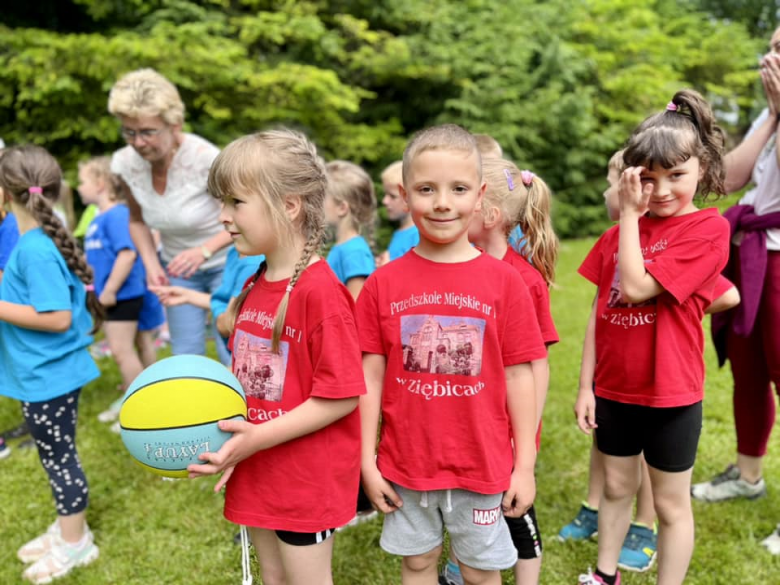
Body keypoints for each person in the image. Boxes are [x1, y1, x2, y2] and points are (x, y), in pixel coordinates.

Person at [357, 124, 546, 585]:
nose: (443, 202)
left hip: (483, 465)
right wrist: (366, 461)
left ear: (480, 196)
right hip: (406, 464)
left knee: (481, 570)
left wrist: (524, 466)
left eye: (458, 189)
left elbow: (522, 376)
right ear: (404, 196)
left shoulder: (506, 283)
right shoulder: (383, 283)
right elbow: (369, 376)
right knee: (418, 563)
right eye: (427, 189)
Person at [186, 129, 365, 585]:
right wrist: (229, 447)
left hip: (305, 481)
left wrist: (254, 441)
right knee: (273, 577)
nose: (223, 218)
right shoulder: (254, 284)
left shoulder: (321, 293)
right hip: (259, 468)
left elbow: (341, 396)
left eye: (235, 203)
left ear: (289, 205)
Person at [574, 90, 731, 585]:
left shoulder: (708, 229)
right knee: (617, 488)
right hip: (616, 390)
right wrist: (586, 387)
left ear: (701, 171)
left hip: (670, 393)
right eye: (648, 178)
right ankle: (605, 574)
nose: (660, 190)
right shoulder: (616, 237)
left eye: (675, 176)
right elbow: (601, 312)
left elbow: (638, 288)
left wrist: (626, 214)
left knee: (669, 503)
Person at [442, 157, 556, 585]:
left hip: (508, 431)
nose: (450, 207)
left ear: (488, 215)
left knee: (515, 511)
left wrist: (522, 438)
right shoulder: (458, 268)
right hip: (468, 420)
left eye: (462, 194)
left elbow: (536, 364)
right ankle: (458, 571)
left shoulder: (522, 280)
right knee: (469, 504)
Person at [691, 28, 780, 555]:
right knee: (748, 371)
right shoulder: (770, 111)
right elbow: (727, 180)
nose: (771, 56)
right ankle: (748, 476)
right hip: (752, 254)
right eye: (771, 47)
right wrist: (773, 115)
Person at [0, 145, 103, 583]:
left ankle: (77, 543)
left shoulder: (36, 249)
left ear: (5, 194)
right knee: (53, 455)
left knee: (60, 460)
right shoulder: (36, 241)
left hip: (50, 378)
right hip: (42, 375)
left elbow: (57, 317)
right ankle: (67, 529)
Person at [107, 68, 232, 365]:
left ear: (174, 125)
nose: (138, 142)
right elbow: (136, 219)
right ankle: (194, 412)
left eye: (148, 132)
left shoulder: (206, 158)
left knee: (234, 350)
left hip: (227, 263)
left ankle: (241, 412)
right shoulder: (125, 163)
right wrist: (151, 264)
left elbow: (245, 216)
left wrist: (205, 250)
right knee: (185, 357)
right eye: (129, 132)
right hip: (177, 268)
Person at [78, 156, 155, 413]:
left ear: (100, 184)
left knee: (122, 352)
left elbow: (127, 254)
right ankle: (142, 396)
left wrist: (109, 289)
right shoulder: (97, 218)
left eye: (82, 182)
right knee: (133, 347)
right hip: (112, 295)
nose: (78, 187)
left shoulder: (117, 214)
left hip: (122, 295)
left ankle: (137, 407)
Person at [151, 245, 264, 350]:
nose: (222, 222)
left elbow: (225, 324)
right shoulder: (234, 252)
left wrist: (219, 307)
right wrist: (186, 295)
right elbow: (226, 305)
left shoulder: (253, 264)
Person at [324, 160, 376, 301]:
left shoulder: (354, 251)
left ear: (342, 208)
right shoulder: (343, 247)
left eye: (323, 197)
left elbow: (356, 309)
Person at [376, 160, 419, 266]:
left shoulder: (419, 236)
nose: (385, 201)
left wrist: (387, 268)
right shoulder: (400, 233)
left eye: (392, 196)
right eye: (385, 194)